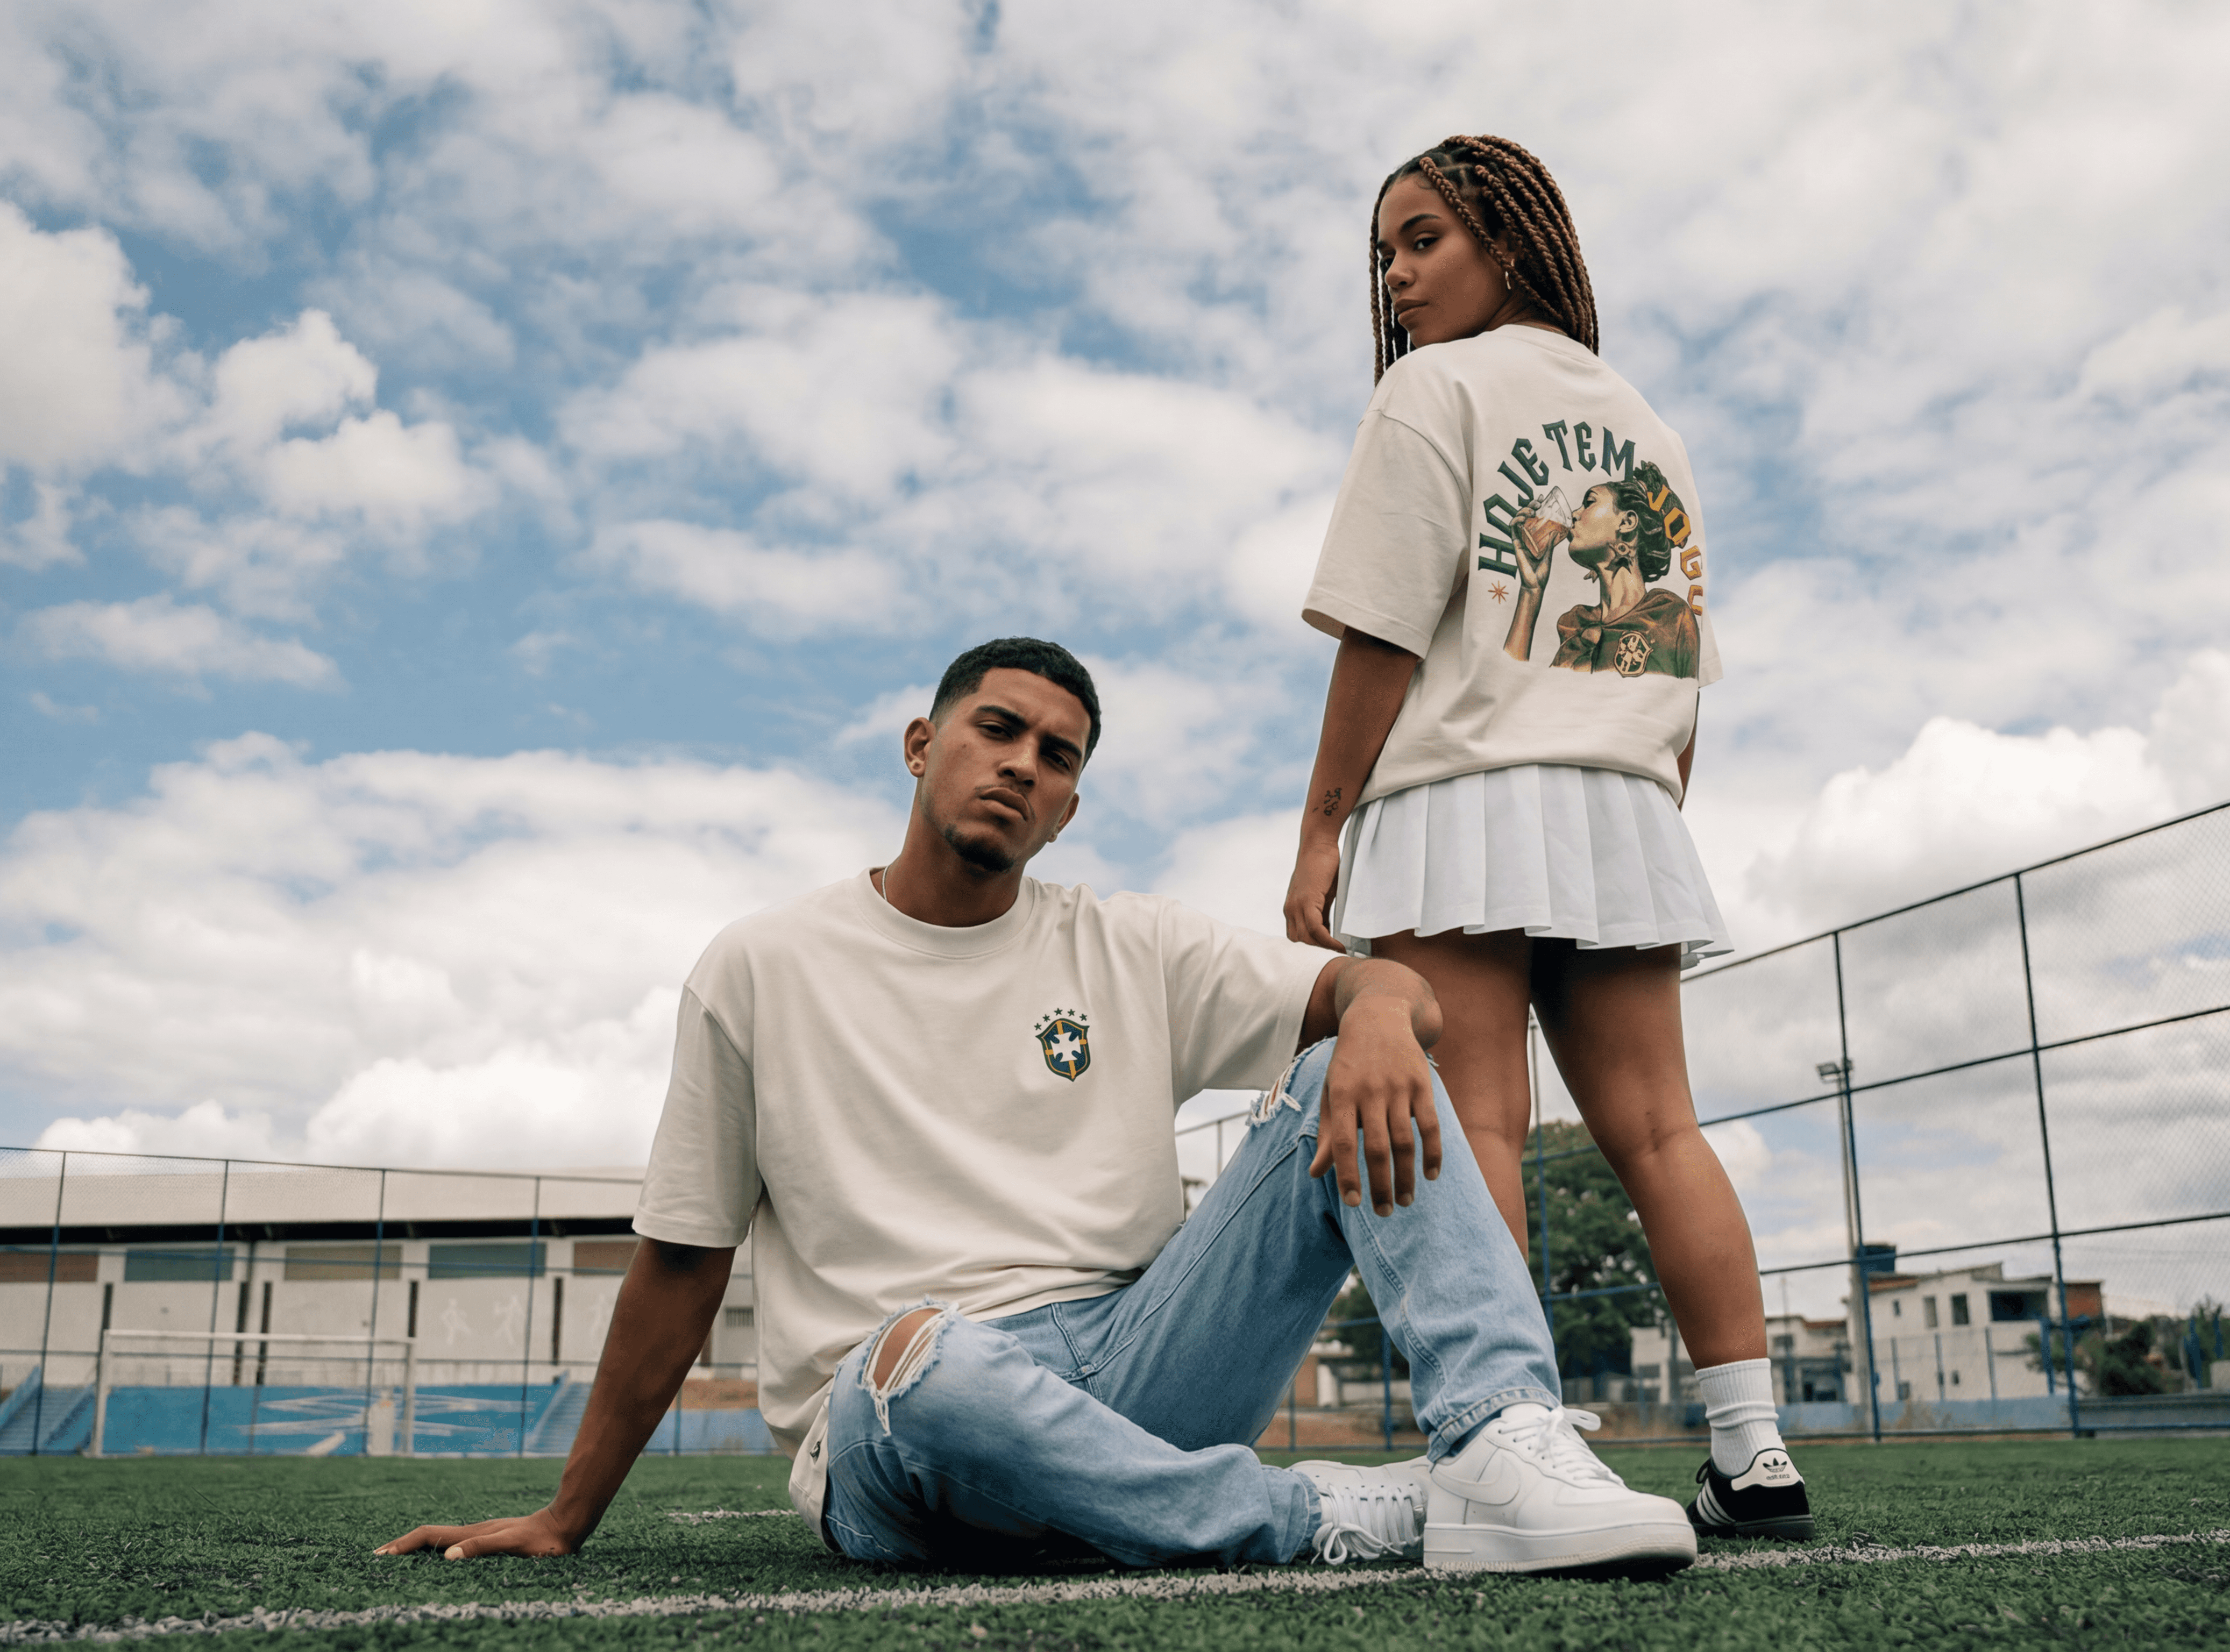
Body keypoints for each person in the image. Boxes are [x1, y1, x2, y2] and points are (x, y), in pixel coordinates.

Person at [382, 637, 1699, 1574]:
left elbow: (1400, 988)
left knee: (1345, 1069)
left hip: (1137, 1364)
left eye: (1055, 756)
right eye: (995, 730)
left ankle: (1500, 1450)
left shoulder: (1127, 945)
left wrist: (1367, 1009)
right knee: (925, 1364)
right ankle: (1309, 1521)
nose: (1020, 764)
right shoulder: (757, 967)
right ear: (922, 745)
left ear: (1068, 807)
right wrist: (567, 1516)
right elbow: (680, 1257)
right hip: (906, 1415)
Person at [1282, 137, 1813, 1541]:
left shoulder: (1432, 390)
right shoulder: (1652, 425)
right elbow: (1677, 677)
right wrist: (1637, 807)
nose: (1395, 279)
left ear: (1509, 243)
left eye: (1423, 241)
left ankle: (1503, 1445)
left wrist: (1321, 824)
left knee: (1483, 1126)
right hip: (1624, 802)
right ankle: (1754, 1451)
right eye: (1386, 253)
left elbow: (1385, 634)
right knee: (1661, 1127)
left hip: (1462, 792)